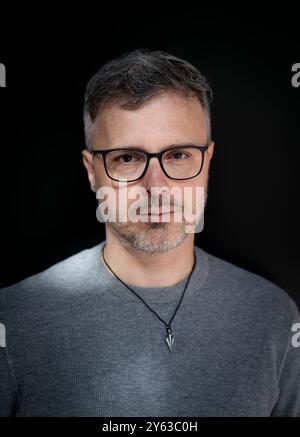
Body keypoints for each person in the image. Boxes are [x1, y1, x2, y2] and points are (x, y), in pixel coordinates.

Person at [0, 49, 299, 417]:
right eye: (127, 158)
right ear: (92, 171)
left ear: (207, 162)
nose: (156, 186)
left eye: (178, 155)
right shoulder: (12, 320)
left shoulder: (273, 316)